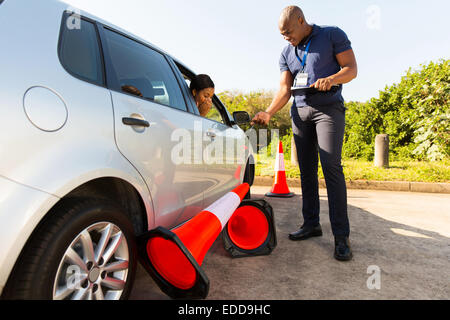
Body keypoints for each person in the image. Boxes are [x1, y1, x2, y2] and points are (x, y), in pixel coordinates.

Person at [252, 5, 358, 261]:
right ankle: (311, 224)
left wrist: (332, 79)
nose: (286, 37)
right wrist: (268, 112)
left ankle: (341, 236)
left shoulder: (332, 35)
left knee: (331, 167)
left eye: (288, 31)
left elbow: (351, 69)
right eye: (282, 34)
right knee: (306, 171)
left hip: (328, 110)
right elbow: (284, 89)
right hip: (300, 113)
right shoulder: (286, 52)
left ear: (301, 20)